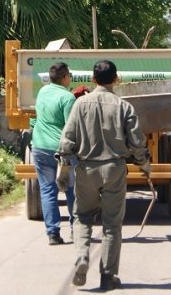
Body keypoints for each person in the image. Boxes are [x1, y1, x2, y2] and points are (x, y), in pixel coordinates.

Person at [57, 60, 149, 291]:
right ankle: (108, 276)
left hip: (86, 168)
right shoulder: (123, 106)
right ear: (116, 79)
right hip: (114, 169)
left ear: (93, 79)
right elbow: (137, 141)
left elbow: (67, 139)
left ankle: (81, 257)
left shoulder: (80, 104)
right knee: (112, 224)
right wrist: (145, 164)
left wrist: (64, 167)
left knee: (82, 217)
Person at [31, 62, 76, 245]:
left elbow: (36, 118)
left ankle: (52, 234)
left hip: (40, 147)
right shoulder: (68, 98)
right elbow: (70, 128)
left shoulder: (42, 92)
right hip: (61, 151)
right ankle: (76, 230)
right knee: (72, 190)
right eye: (69, 76)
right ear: (65, 78)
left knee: (48, 190)